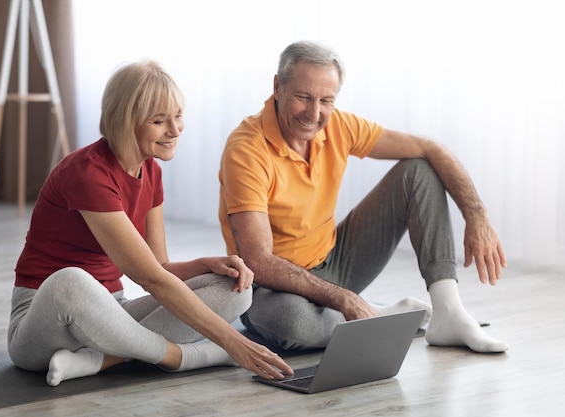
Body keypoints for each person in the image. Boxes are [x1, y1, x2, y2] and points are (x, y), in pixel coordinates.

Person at [8, 60, 292, 387]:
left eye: (178, 115)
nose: (174, 130)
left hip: (113, 316)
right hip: (45, 321)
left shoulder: (151, 171)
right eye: (159, 121)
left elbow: (159, 267)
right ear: (125, 123)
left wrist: (207, 265)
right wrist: (234, 342)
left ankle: (101, 359)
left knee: (236, 290)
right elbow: (151, 279)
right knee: (71, 281)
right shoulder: (87, 174)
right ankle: (182, 357)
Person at [218, 40, 509, 354]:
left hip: (336, 263)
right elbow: (258, 262)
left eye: (326, 100)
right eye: (303, 97)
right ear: (278, 87)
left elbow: (430, 148)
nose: (314, 113)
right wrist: (345, 298)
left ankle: (448, 312)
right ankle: (380, 315)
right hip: (272, 287)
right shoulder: (246, 150)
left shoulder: (340, 126)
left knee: (418, 170)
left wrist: (476, 214)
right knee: (294, 326)